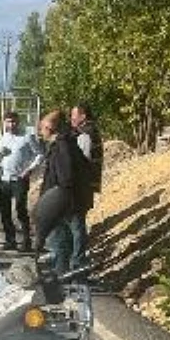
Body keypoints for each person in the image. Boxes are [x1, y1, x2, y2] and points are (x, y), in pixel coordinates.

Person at [33, 109, 93, 274]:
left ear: (50, 128)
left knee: (59, 240)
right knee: (65, 239)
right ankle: (69, 272)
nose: (40, 132)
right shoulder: (66, 143)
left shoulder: (62, 147)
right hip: (68, 201)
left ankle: (65, 275)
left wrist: (53, 201)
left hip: (63, 203)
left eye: (42, 128)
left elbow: (65, 178)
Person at [0, 111, 43, 252]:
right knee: (4, 211)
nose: (11, 124)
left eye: (14, 121)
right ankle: (10, 240)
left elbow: (39, 154)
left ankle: (26, 241)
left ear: (18, 122)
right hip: (4, 178)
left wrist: (29, 169)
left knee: (20, 209)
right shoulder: (4, 137)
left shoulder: (27, 137)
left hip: (19, 179)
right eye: (8, 122)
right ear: (4, 123)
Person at [68, 103, 103, 270]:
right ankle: (76, 258)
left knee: (77, 225)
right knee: (76, 224)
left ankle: (77, 261)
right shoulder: (89, 132)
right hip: (85, 186)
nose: (71, 119)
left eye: (74, 116)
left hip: (81, 187)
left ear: (83, 117)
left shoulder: (84, 135)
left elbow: (82, 162)